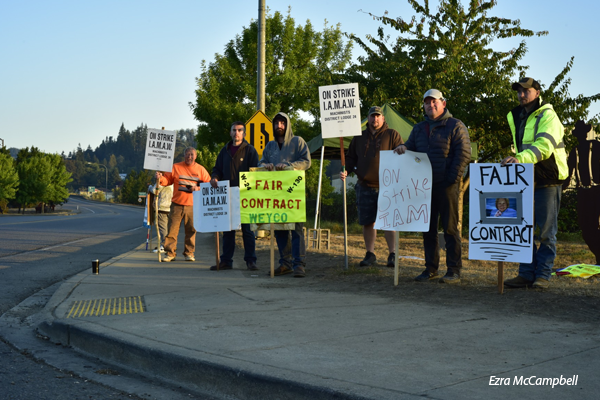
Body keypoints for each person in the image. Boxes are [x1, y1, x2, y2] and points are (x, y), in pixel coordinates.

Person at [394, 89, 471, 284]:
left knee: (450, 229)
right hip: (423, 187)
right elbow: (411, 147)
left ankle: (454, 270)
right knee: (427, 229)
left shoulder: (456, 125)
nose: (431, 105)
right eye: (427, 103)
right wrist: (403, 147)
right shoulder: (419, 128)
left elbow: (463, 153)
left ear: (443, 103)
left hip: (447, 185)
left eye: (434, 102)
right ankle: (430, 268)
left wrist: (451, 178)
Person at [502, 77, 568, 289]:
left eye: (526, 91)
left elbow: (544, 146)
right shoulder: (518, 116)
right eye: (519, 91)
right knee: (524, 228)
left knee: (547, 231)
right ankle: (526, 273)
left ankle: (543, 275)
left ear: (537, 93)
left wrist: (519, 159)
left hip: (548, 179)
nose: (522, 94)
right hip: (526, 179)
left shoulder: (548, 115)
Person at [340, 106, 403, 268]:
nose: (375, 119)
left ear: (383, 118)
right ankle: (370, 253)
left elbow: (402, 155)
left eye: (378, 116)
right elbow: (351, 158)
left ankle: (392, 254)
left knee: (389, 222)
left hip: (388, 186)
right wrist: (346, 170)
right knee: (368, 221)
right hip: (364, 185)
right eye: (372, 116)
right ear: (368, 118)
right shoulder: (359, 137)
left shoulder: (392, 135)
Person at [258, 112, 311, 277]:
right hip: (276, 194)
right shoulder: (270, 146)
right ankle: (285, 263)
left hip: (293, 192)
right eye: (276, 123)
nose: (279, 126)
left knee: (296, 228)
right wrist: (265, 165)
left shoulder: (298, 141)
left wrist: (289, 165)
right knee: (279, 228)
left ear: (287, 124)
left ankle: (299, 264)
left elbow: (306, 161)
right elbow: (259, 163)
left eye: (282, 123)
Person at [209, 121, 259, 271]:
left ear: (244, 133)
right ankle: (226, 261)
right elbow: (217, 168)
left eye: (239, 130)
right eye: (234, 130)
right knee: (228, 231)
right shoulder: (224, 151)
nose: (236, 133)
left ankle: (251, 260)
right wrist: (215, 177)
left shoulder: (250, 150)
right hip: (227, 196)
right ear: (230, 133)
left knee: (247, 231)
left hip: (245, 196)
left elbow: (255, 172)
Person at [157, 147, 211, 262]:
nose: (189, 157)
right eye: (187, 154)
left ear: (195, 156)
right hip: (176, 204)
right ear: (184, 155)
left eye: (191, 155)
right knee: (172, 230)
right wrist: (160, 178)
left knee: (191, 230)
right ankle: (170, 253)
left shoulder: (201, 170)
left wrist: (198, 188)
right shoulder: (175, 167)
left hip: (193, 205)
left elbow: (209, 185)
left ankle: (189, 253)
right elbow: (167, 180)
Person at [562, 120, 600, 265]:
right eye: (578, 134)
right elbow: (567, 176)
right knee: (586, 228)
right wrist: (559, 191)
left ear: (586, 133)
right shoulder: (574, 151)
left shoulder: (596, 146)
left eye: (581, 133)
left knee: (597, 226)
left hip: (597, 190)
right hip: (583, 194)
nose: (580, 136)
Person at [148, 182, 173, 252]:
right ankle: (170, 245)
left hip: (162, 207)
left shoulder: (161, 180)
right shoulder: (172, 181)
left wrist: (150, 187)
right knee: (169, 227)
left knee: (163, 228)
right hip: (171, 206)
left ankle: (164, 245)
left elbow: (155, 191)